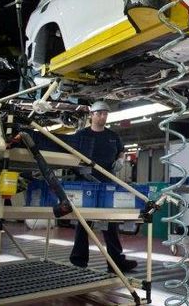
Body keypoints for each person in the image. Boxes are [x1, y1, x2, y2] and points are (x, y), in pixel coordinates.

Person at [69, 100, 138, 273]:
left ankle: (116, 262)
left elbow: (121, 150)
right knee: (84, 223)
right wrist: (78, 166)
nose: (103, 117)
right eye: (99, 113)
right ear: (91, 115)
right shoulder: (81, 134)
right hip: (87, 184)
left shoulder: (113, 136)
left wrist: (121, 159)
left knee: (109, 223)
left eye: (105, 114)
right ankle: (79, 260)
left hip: (107, 184)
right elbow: (70, 154)